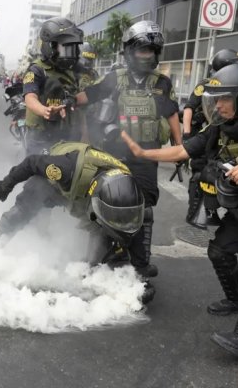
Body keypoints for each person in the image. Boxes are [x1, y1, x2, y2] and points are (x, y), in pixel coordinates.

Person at [121, 64, 238, 362]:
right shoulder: (221, 124)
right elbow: (185, 150)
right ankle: (237, 299)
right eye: (215, 99)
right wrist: (145, 154)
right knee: (220, 250)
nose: (217, 105)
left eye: (224, 98)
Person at [76, 20, 182, 295]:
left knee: (144, 211)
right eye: (142, 49)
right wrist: (57, 102)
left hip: (147, 156)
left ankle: (140, 265)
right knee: (105, 205)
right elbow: (86, 96)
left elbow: (172, 115)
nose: (146, 55)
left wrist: (182, 149)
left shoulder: (162, 83)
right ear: (130, 51)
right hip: (113, 155)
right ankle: (93, 262)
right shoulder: (114, 78)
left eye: (151, 50)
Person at [0, 141, 155, 303]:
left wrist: (140, 272)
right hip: (54, 185)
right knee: (22, 211)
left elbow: (139, 219)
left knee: (97, 256)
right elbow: (31, 162)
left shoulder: (127, 184)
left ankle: (108, 262)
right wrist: (5, 186)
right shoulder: (65, 171)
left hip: (88, 193)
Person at [183, 49, 238, 226]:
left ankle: (221, 208)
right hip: (204, 132)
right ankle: (197, 209)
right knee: (199, 171)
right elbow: (188, 108)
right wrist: (187, 134)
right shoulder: (206, 85)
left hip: (222, 133)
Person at [22, 16, 83, 156]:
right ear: (50, 46)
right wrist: (45, 110)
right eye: (65, 48)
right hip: (41, 135)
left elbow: (80, 99)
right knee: (38, 171)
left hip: (67, 132)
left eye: (72, 48)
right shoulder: (37, 70)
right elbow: (30, 97)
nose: (70, 53)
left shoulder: (73, 71)